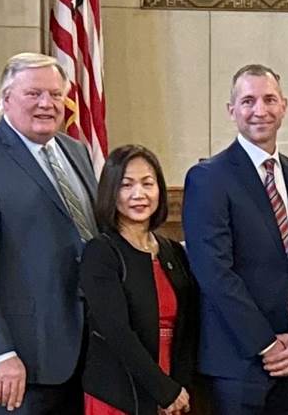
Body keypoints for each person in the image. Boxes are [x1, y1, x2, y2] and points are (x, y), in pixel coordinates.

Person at [0, 52, 101, 414]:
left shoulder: (75, 151)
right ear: (5, 100)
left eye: (56, 95)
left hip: (79, 357)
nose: (47, 103)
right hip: (14, 366)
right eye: (33, 94)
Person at [182, 64, 288, 415]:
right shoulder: (208, 178)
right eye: (248, 101)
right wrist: (266, 345)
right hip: (238, 362)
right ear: (231, 110)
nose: (259, 110)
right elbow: (213, 272)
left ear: (284, 106)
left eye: (269, 99)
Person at [81, 145, 200, 415]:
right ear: (111, 191)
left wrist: (177, 389)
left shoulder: (173, 251)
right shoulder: (101, 251)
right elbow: (117, 333)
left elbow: (188, 326)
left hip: (172, 390)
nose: (139, 194)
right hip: (119, 395)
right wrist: (163, 390)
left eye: (148, 183)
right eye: (126, 185)